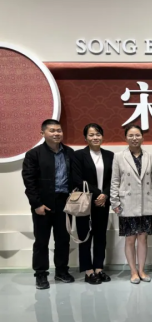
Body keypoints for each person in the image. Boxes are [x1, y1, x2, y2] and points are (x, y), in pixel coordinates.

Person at [22, 119, 76, 289]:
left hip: (64, 203)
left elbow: (75, 177)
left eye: (59, 130)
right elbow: (29, 182)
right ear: (43, 133)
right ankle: (41, 274)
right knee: (41, 241)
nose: (56, 133)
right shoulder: (34, 154)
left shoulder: (69, 152)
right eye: (52, 130)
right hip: (43, 204)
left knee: (63, 240)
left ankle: (61, 271)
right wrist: (36, 204)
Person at [110, 124, 152, 284]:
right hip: (127, 203)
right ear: (126, 138)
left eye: (137, 135)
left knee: (143, 238)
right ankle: (133, 271)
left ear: (142, 137)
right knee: (130, 239)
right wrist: (115, 202)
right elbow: (115, 181)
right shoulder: (119, 156)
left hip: (146, 203)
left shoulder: (150, 157)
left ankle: (142, 270)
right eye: (131, 135)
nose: (134, 138)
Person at [72, 123, 114, 285]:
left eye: (98, 134)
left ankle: (98, 268)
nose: (95, 137)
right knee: (84, 236)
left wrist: (105, 195)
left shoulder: (110, 155)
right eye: (91, 135)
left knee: (100, 236)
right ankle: (88, 271)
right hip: (85, 201)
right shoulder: (78, 155)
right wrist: (98, 194)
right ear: (85, 138)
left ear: (102, 136)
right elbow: (77, 179)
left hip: (103, 203)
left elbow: (114, 179)